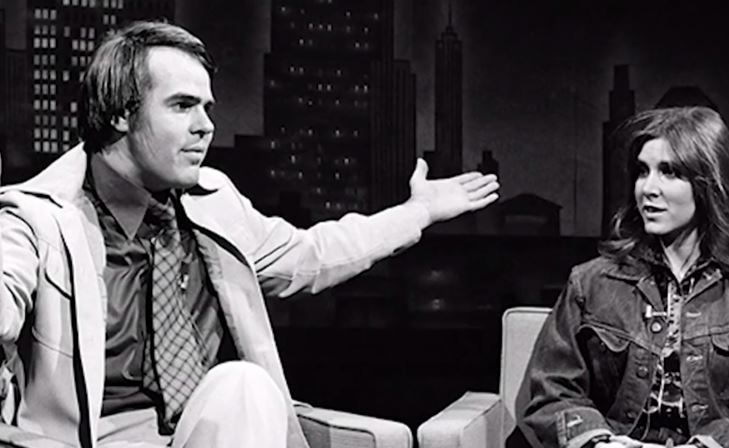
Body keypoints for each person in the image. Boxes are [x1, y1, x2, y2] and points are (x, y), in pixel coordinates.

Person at [0, 21, 499, 447]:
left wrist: (417, 213)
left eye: (208, 108)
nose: (205, 127)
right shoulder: (35, 221)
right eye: (182, 106)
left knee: (243, 384)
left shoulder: (214, 200)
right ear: (119, 113)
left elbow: (310, 254)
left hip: (217, 431)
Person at [523, 107, 729, 448]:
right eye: (642, 171)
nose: (648, 188)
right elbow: (553, 391)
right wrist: (599, 442)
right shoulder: (590, 282)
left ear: (709, 183)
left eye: (670, 172)